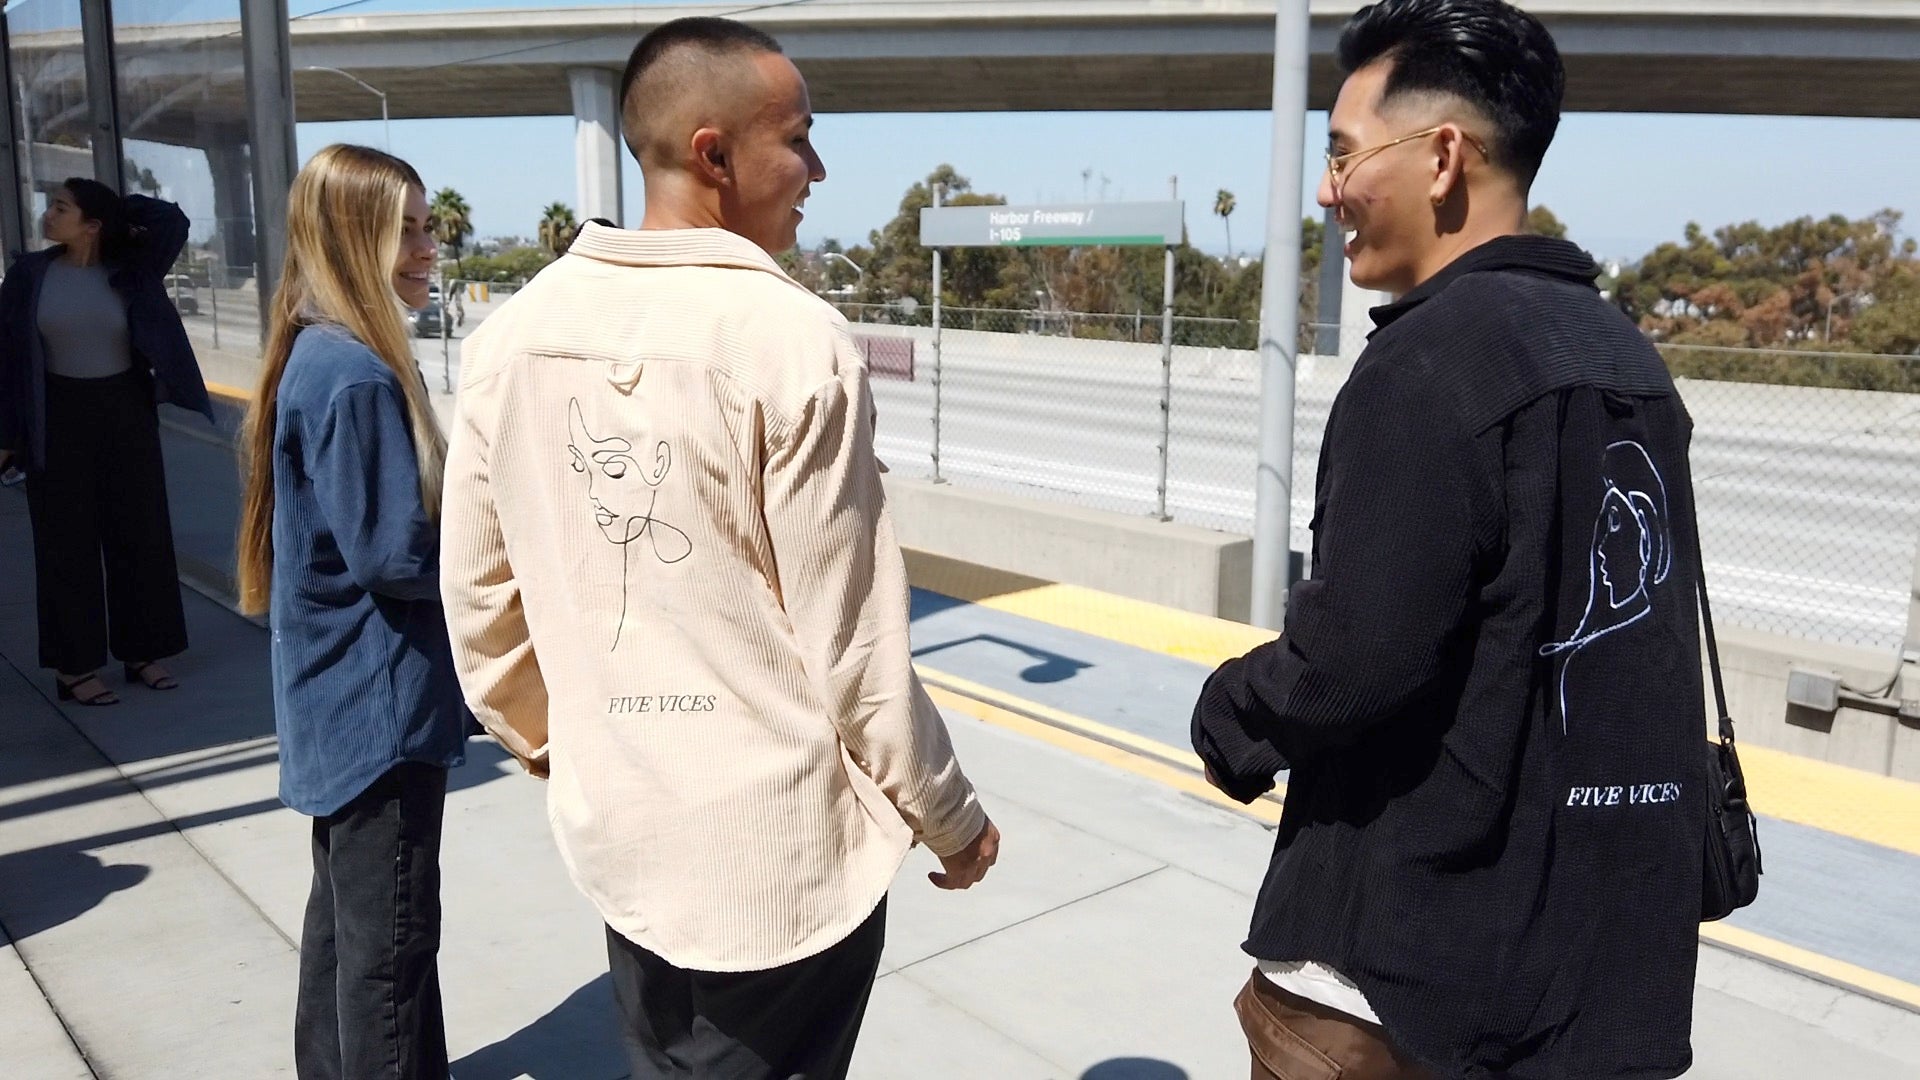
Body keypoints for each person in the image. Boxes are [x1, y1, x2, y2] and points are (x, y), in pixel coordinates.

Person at [439, 18, 999, 1080]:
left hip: (624, 843)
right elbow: (857, 653)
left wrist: (576, 749)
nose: (817, 169)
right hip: (779, 872)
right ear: (714, 154)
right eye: (799, 138)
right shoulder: (792, 344)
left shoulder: (510, 338)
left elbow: (478, 601)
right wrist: (950, 819)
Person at [1190, 2, 1706, 1077]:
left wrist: (1229, 714)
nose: (1328, 191)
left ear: (1441, 157)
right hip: (1596, 981)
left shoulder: (1428, 364)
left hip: (1401, 984)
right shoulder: (1628, 359)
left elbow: (1354, 661)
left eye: (1341, 154)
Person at [235, 144, 466, 1080]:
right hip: (383, 712)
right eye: (402, 231)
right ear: (349, 240)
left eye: (426, 226)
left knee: (345, 926)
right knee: (392, 947)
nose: (427, 248)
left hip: (337, 701)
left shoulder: (315, 350)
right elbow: (397, 554)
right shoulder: (359, 376)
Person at [0, 178, 212, 705]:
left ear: (92, 225)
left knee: (139, 534)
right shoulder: (28, 273)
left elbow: (173, 222)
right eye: (51, 206)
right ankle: (74, 669)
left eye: (62, 208)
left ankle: (144, 653)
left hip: (125, 410)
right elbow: (5, 361)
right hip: (58, 414)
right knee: (65, 545)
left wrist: (119, 209)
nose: (48, 216)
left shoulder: (131, 269)